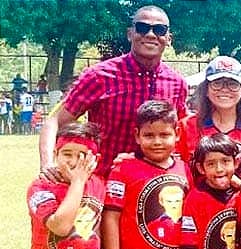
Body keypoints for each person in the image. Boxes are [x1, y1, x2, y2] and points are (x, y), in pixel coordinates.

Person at [38, 5, 187, 177]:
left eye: (159, 30)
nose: (151, 34)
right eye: (142, 27)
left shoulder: (177, 83)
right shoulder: (99, 76)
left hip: (154, 184)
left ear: (168, 38)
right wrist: (47, 164)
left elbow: (181, 133)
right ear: (130, 34)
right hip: (104, 182)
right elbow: (55, 121)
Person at [102, 100, 190, 249]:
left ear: (177, 134)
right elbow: (110, 218)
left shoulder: (185, 169)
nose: (157, 142)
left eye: (164, 134)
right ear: (137, 136)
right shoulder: (123, 169)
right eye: (149, 135)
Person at [180, 133, 241, 249]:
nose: (219, 169)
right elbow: (188, 246)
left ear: (236, 162)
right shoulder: (195, 199)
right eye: (211, 164)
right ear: (201, 168)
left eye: (225, 161)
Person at [175, 56, 241, 172]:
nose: (225, 89)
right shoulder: (186, 127)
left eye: (232, 84)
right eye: (217, 83)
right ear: (206, 90)